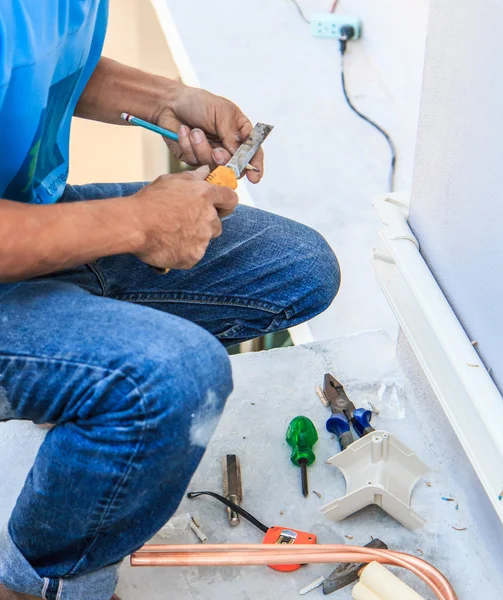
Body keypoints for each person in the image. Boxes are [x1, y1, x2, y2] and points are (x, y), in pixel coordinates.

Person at [0, 2, 340, 599]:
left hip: (26, 222)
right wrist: (134, 224)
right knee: (172, 377)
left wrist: (167, 100)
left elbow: (45, 67)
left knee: (295, 268)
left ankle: (75, 378)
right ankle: (39, 582)